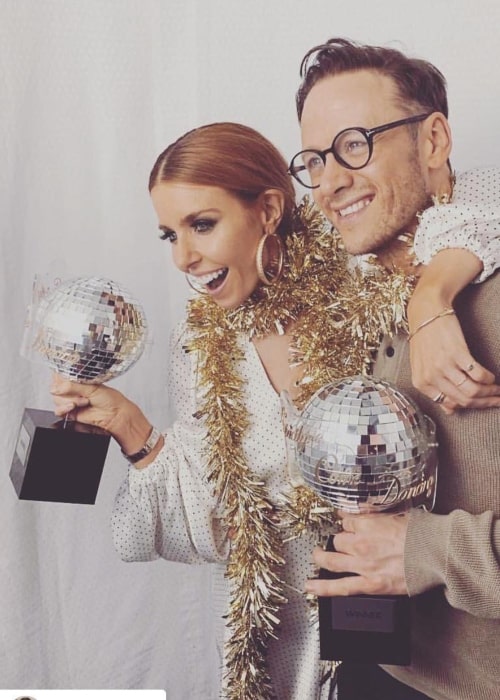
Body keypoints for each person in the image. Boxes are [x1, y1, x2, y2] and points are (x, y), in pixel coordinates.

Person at [51, 122, 498, 700]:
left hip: (400, 649)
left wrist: (432, 295)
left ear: (267, 210)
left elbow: (483, 193)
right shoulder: (203, 344)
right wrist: (134, 432)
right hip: (273, 646)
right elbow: (214, 533)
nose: (184, 257)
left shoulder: (366, 284)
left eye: (202, 224)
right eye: (169, 235)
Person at [290, 37, 500, 700]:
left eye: (356, 145)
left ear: (433, 140)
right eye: (315, 160)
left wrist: (427, 551)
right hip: (378, 669)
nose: (329, 182)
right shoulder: (354, 294)